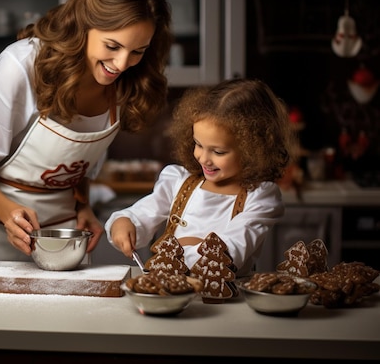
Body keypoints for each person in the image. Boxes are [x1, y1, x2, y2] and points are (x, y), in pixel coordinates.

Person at [0, 0, 173, 263]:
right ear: (84, 26)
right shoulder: (20, 66)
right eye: (112, 46)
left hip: (63, 237)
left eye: (137, 51)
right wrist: (7, 213)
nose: (121, 63)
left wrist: (82, 206)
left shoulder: (128, 84)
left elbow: (76, 167)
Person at [105, 78, 298, 276]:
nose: (203, 158)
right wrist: (125, 221)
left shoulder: (259, 197)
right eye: (198, 144)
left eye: (218, 152)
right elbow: (144, 213)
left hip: (224, 301)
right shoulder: (179, 182)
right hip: (172, 294)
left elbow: (229, 252)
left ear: (254, 150)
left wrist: (176, 251)